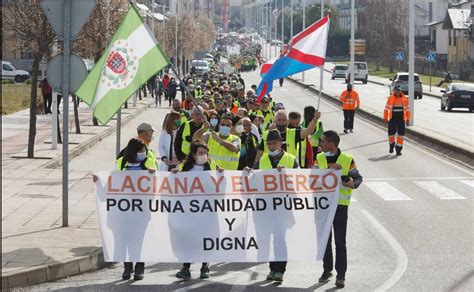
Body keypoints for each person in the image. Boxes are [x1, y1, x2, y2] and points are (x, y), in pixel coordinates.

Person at [246, 129, 299, 283]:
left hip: (283, 207)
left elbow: (299, 181)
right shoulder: (262, 160)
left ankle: (280, 270)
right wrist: (248, 173)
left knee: (280, 238)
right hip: (265, 207)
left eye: (274, 142)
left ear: (281, 143)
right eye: (268, 143)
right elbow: (253, 180)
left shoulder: (291, 159)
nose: (271, 146)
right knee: (266, 238)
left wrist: (287, 174)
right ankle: (272, 269)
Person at [315, 130, 363, 288]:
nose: (320, 144)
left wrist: (350, 183)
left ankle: (341, 275)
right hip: (323, 206)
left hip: (340, 207)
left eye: (323, 141)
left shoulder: (347, 159)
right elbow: (311, 178)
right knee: (325, 240)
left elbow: (358, 178)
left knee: (340, 242)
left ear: (331, 143)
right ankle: (327, 269)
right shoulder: (319, 158)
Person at [173, 140, 223, 280]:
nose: (204, 155)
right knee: (188, 239)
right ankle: (186, 267)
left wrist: (221, 173)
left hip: (207, 211)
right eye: (201, 153)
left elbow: (221, 183)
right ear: (194, 154)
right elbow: (175, 183)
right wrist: (174, 173)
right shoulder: (184, 167)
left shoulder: (212, 165)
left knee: (206, 238)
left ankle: (205, 266)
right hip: (189, 211)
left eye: (205, 152)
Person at [115, 138, 156, 280]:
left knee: (139, 239)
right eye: (140, 151)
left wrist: (152, 174)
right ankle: (127, 266)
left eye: (144, 150)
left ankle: (139, 266)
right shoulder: (121, 162)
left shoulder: (148, 162)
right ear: (133, 151)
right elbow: (113, 181)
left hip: (143, 208)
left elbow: (156, 180)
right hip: (125, 208)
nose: (143, 153)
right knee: (126, 238)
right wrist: (99, 180)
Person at [383, 86, 410, 156]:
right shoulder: (390, 98)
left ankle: (398, 150)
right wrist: (385, 118)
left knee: (401, 135)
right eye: (396, 90)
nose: (398, 92)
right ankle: (391, 146)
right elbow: (386, 109)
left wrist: (408, 119)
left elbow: (407, 110)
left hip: (401, 120)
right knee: (391, 134)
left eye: (399, 90)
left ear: (400, 91)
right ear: (394, 91)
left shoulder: (405, 98)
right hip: (392, 120)